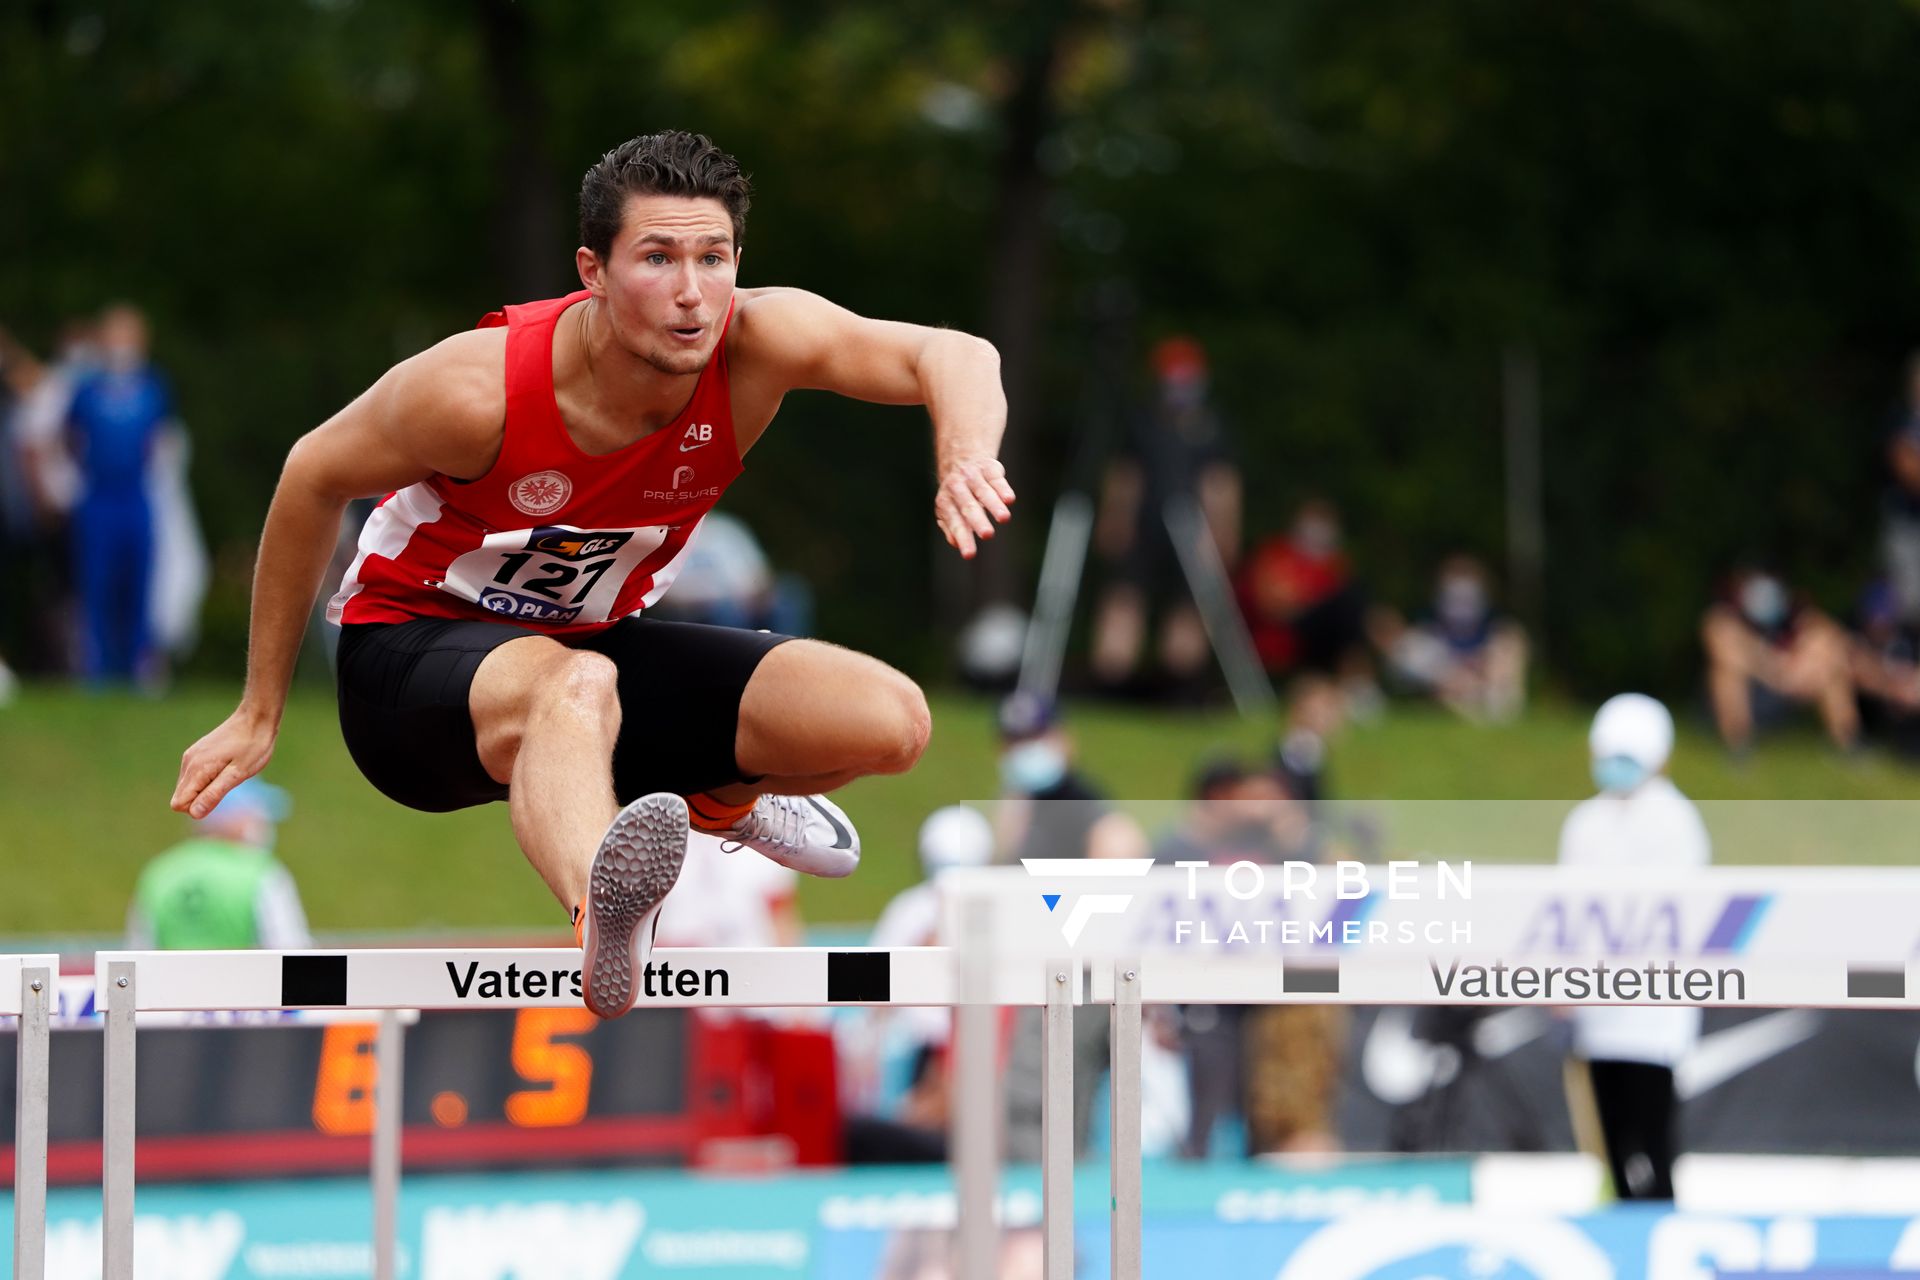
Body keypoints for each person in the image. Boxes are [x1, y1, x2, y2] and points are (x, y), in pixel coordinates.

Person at [171, 131, 1014, 1019]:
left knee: (888, 721)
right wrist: (259, 708)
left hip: (596, 650)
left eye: (712, 258)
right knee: (572, 683)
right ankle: (606, 916)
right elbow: (312, 473)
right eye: (657, 258)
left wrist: (963, 456)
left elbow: (957, 355)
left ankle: (716, 804)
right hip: (410, 662)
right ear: (593, 271)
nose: (692, 295)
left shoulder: (758, 341)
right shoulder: (477, 389)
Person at [1557, 693, 1710, 1200]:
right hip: (1597, 1013)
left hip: (1654, 1012)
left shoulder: (1676, 821)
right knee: (1612, 1144)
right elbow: (1567, 908)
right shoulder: (1584, 822)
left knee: (1654, 1141)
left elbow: (1674, 914)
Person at [1088, 336, 1241, 700]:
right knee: (1125, 600)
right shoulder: (1141, 423)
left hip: (1194, 530)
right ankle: (1111, 685)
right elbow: (1124, 476)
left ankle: (1179, 687)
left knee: (1190, 606)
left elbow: (1221, 484)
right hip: (1143, 527)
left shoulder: (1213, 429)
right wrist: (1114, 519)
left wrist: (1223, 533)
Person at [64, 305, 180, 684]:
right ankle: (96, 670)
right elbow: (69, 437)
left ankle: (136, 667)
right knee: (96, 582)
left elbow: (161, 440)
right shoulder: (86, 388)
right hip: (99, 496)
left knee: (138, 581)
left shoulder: (152, 386)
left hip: (136, 496)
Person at [128, 777, 313, 950]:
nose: (261, 822)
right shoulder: (261, 871)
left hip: (170, 984)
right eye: (253, 814)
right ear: (232, 817)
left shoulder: (159, 872)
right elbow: (291, 950)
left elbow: (138, 951)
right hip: (244, 984)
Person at [1701, 564, 1858, 755]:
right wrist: (1772, 667)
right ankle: (1738, 746)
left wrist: (1797, 669)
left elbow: (1833, 639)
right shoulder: (1725, 617)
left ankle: (1847, 744)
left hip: (1789, 685)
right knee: (1727, 672)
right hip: (1753, 690)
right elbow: (1726, 648)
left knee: (1832, 669)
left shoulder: (1792, 617)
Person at [1376, 554, 1529, 723]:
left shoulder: (1497, 627)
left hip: (1481, 682)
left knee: (1508, 645)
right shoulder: (1428, 628)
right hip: (1448, 681)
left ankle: (1494, 709)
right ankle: (1470, 709)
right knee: (1410, 649)